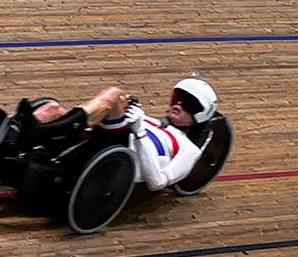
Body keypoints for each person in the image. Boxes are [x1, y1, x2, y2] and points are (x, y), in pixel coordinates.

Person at [32, 77, 218, 192]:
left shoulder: (189, 149)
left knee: (114, 96)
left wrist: (140, 132)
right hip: (99, 141)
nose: (178, 105)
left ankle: (39, 131)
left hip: (117, 165)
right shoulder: (150, 119)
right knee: (52, 108)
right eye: (177, 98)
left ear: (199, 116)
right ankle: (18, 133)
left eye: (189, 105)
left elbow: (158, 182)